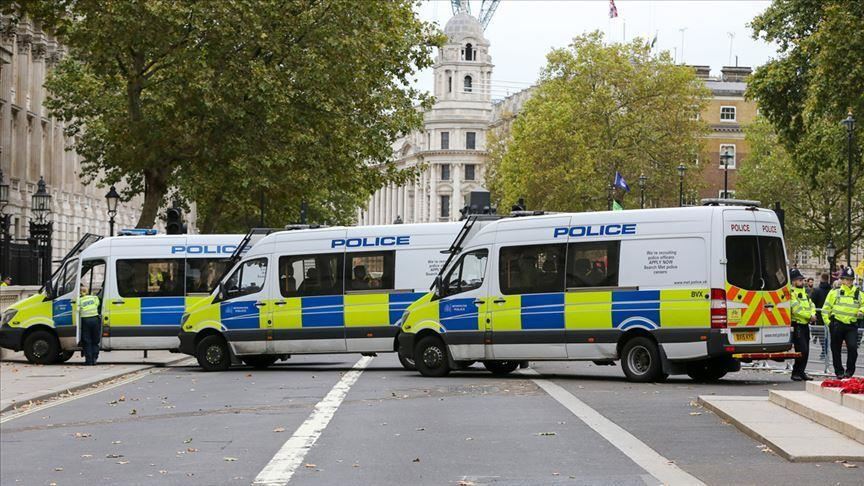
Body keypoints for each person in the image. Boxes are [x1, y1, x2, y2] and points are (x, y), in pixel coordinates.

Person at [822, 267, 864, 378]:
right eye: (846, 279)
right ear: (842, 279)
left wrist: (861, 311)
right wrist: (829, 323)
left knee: (853, 348)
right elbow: (825, 309)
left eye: (850, 279)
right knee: (836, 349)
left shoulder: (858, 293)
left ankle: (849, 371)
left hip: (851, 325)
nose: (848, 282)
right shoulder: (834, 292)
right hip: (837, 324)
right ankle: (839, 372)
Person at [789, 269, 815, 381]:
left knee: (806, 350)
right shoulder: (791, 293)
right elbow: (796, 309)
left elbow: (811, 304)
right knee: (802, 350)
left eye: (802, 279)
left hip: (805, 325)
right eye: (799, 279)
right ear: (793, 281)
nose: (802, 281)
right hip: (797, 324)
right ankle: (795, 372)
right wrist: (809, 316)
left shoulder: (804, 292)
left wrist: (812, 314)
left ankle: (801, 372)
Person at [810, 272, 833, 360]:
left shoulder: (816, 290)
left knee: (822, 335)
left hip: (819, 316)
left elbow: (812, 302)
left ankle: (824, 350)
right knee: (828, 334)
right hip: (829, 315)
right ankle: (826, 350)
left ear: (821, 279)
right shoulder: (831, 290)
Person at [78, 286, 102, 365]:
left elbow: (77, 310)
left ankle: (89, 361)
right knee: (95, 340)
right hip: (95, 319)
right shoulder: (94, 298)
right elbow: (98, 304)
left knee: (87, 341)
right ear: (88, 291)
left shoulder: (80, 300)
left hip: (85, 321)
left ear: (81, 292)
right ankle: (95, 358)